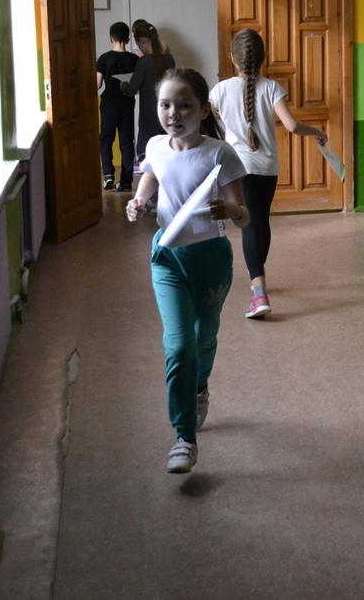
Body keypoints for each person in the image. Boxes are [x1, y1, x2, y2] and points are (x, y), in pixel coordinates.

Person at [126, 68, 249, 474]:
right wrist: (137, 203)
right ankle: (184, 437)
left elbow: (245, 216)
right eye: (165, 105)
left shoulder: (220, 154)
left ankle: (199, 386)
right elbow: (150, 178)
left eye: (184, 105)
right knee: (179, 346)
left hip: (210, 259)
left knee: (204, 337)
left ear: (204, 109)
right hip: (167, 258)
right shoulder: (155, 146)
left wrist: (230, 210)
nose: (173, 114)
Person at [210, 28, 327, 319]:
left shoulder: (220, 90)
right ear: (262, 59)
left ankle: (259, 292)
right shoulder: (271, 88)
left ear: (232, 58)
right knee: (260, 221)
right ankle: (258, 276)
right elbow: (292, 125)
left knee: (248, 224)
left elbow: (210, 118)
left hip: (238, 167)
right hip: (267, 168)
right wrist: (317, 132)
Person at [121, 19, 176, 165]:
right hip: (168, 116)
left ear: (142, 40)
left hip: (148, 121)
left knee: (145, 161)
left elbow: (131, 90)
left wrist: (123, 84)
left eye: (138, 45)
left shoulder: (144, 62)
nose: (139, 48)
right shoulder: (169, 59)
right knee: (167, 159)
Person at [96, 21, 139, 191]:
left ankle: (108, 174)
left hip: (109, 104)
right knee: (127, 141)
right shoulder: (134, 59)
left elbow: (97, 85)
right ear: (127, 40)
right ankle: (126, 182)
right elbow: (136, 85)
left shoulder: (104, 58)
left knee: (106, 139)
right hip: (127, 103)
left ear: (110, 39)